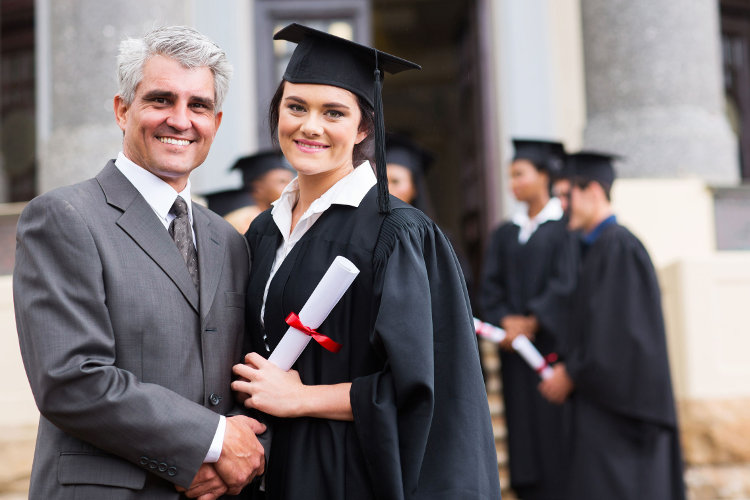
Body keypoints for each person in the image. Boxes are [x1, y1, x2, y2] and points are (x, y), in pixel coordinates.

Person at [232, 23, 501, 500]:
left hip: (352, 473)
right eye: (296, 107)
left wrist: (301, 397)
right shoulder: (264, 230)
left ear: (362, 128)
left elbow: (426, 383)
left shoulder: (397, 233)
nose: (310, 126)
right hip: (272, 468)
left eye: (333, 112)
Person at [13, 26, 266, 499]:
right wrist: (208, 443)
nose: (181, 120)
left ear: (216, 120)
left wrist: (247, 449)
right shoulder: (63, 218)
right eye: (161, 100)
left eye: (199, 106)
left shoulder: (229, 241)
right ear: (122, 109)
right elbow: (71, 380)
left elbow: (246, 377)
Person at [538, 152, 686, 499]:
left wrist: (571, 373)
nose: (561, 206)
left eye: (565, 195)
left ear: (593, 191)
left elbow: (619, 338)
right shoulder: (597, 249)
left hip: (622, 422)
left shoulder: (619, 248)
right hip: (602, 413)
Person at [478, 139, 578, 499]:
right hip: (515, 355)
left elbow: (566, 284)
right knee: (522, 438)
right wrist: (505, 320)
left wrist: (534, 320)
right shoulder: (505, 233)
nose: (512, 184)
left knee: (554, 438)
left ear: (543, 176)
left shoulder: (565, 228)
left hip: (551, 351)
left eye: (520, 174)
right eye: (509, 176)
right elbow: (489, 287)